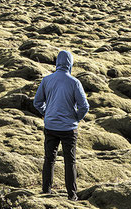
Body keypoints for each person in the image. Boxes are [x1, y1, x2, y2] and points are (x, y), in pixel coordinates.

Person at [33, 50, 89, 200]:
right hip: (68, 129)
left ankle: (46, 190)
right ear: (70, 63)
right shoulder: (74, 82)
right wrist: (76, 118)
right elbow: (84, 106)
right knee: (70, 161)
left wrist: (46, 113)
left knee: (49, 159)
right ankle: (72, 195)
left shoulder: (47, 80)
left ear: (57, 63)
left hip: (50, 126)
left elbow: (37, 102)